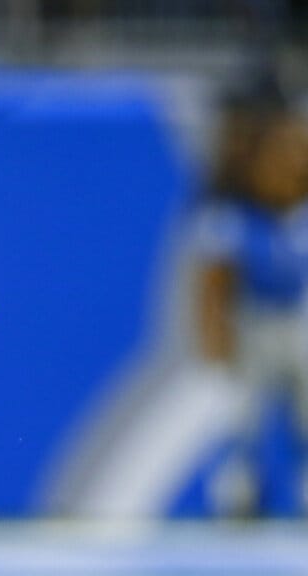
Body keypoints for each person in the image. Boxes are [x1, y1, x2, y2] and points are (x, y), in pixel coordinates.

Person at [193, 78, 308, 517]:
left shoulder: (300, 217)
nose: (290, 165)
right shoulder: (232, 215)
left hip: (297, 322)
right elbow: (215, 283)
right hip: (253, 323)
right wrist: (216, 336)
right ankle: (239, 491)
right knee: (243, 416)